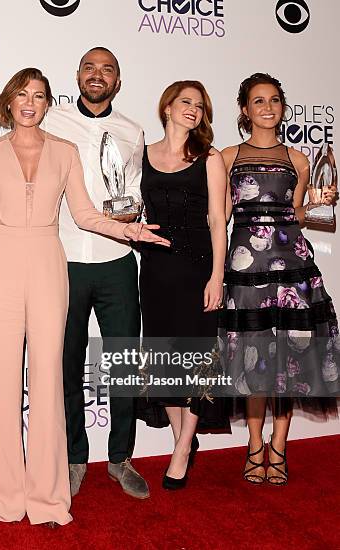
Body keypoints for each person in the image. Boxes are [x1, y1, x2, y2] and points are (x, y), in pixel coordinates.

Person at [0, 68, 169, 527]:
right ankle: (7, 497)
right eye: (22, 94)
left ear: (48, 102)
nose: (30, 102)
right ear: (9, 102)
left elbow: (85, 214)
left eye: (39, 95)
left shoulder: (65, 151)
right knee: (1, 384)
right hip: (2, 268)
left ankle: (49, 496)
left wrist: (127, 230)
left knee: (50, 381)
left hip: (49, 266)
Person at [0, 47, 150, 500]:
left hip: (115, 256)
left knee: (125, 362)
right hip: (63, 261)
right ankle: (71, 459)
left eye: (107, 69)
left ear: (118, 81)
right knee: (62, 369)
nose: (97, 75)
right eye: (89, 67)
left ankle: (121, 458)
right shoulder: (52, 121)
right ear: (77, 76)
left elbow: (131, 192)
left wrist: (136, 227)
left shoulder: (133, 131)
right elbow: (8, 138)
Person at [219, 73, 339, 485]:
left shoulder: (299, 159)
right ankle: (254, 446)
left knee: (288, 359)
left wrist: (319, 202)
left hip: (293, 266)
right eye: (258, 101)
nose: (267, 108)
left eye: (274, 100)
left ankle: (279, 445)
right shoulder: (227, 157)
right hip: (246, 269)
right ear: (244, 110)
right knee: (256, 359)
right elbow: (220, 219)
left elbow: (299, 214)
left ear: (282, 107)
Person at [137, 81, 229, 490]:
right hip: (155, 270)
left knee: (197, 360)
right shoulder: (141, 156)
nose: (193, 109)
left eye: (200, 105)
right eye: (185, 102)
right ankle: (181, 441)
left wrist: (217, 276)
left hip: (198, 270)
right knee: (166, 362)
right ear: (167, 106)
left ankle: (180, 450)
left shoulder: (209, 159)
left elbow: (216, 220)